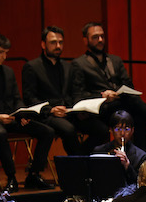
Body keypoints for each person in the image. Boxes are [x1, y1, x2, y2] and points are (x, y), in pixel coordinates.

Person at [70, 22, 146, 149]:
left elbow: (128, 84)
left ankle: (143, 162)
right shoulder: (79, 64)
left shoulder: (115, 60)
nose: (100, 40)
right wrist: (103, 95)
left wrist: (116, 92)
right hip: (101, 108)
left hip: (121, 102)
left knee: (139, 118)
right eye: (95, 37)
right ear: (85, 40)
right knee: (134, 103)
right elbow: (79, 95)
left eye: (102, 36)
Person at [0, 34, 55, 192]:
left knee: (47, 131)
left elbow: (16, 98)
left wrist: (22, 114)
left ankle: (33, 174)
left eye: (6, 52)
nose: (4, 56)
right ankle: (11, 176)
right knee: (0, 133)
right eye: (1, 52)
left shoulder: (8, 71)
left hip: (12, 117)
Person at [22, 26, 108, 155]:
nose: (58, 46)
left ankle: (80, 160)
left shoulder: (68, 66)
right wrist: (51, 109)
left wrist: (79, 109)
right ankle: (79, 165)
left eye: (60, 42)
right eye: (53, 42)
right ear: (43, 44)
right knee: (68, 130)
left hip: (69, 112)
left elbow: (75, 93)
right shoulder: (32, 67)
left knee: (102, 130)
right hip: (47, 115)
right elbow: (29, 98)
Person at [92, 110, 146, 185]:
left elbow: (140, 185)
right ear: (111, 130)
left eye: (127, 129)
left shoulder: (141, 157)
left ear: (132, 131)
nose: (122, 133)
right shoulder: (99, 151)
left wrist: (128, 166)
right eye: (118, 129)